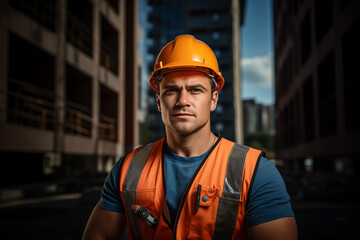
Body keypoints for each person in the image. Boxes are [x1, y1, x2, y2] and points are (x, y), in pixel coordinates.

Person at [83, 34, 297, 240]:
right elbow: (98, 235)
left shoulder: (255, 172)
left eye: (195, 90)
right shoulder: (128, 169)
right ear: (158, 101)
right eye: (170, 90)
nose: (182, 100)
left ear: (213, 100)